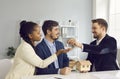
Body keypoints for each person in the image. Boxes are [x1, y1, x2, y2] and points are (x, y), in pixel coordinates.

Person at [5, 21, 71, 79]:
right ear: (30, 35)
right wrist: (58, 53)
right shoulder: (25, 48)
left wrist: (66, 69)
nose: (41, 34)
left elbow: (65, 59)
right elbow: (41, 64)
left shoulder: (29, 46)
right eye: (38, 33)